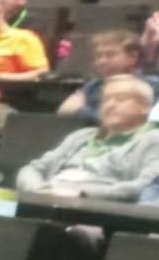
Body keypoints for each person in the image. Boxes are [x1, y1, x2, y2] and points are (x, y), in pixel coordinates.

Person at [18, 77, 159, 201]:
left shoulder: (152, 139)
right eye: (105, 100)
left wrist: (81, 194)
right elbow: (33, 169)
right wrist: (38, 190)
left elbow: (147, 186)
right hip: (47, 199)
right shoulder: (82, 135)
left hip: (96, 212)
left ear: (145, 107)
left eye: (120, 99)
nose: (109, 105)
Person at [57, 31, 156, 120]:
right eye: (98, 56)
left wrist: (79, 111)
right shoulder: (92, 87)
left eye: (110, 55)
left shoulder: (153, 86)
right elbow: (64, 114)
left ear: (133, 57)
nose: (102, 61)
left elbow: (127, 122)